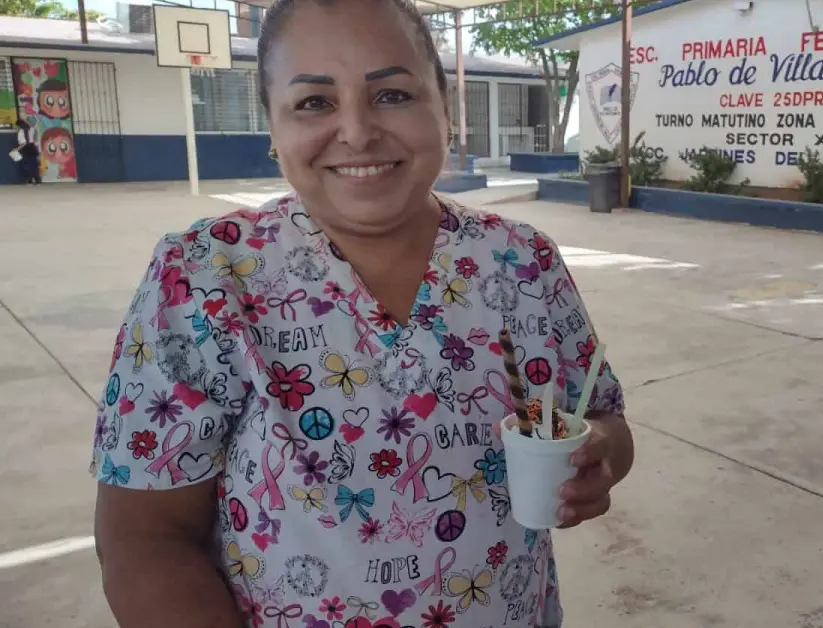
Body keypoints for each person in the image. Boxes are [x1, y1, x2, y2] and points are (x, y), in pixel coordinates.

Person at [90, 1, 635, 627]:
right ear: (272, 127)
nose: (356, 131)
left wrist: (599, 457)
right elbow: (144, 538)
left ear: (444, 108)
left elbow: (600, 416)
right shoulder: (205, 277)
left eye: (394, 94)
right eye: (315, 103)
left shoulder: (523, 261)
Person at [14, 118, 41, 185]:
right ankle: (38, 181)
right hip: (32, 147)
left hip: (25, 149)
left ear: (19, 126)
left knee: (27, 166)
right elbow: (31, 126)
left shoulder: (21, 132)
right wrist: (23, 120)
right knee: (34, 165)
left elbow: (23, 143)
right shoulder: (31, 129)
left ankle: (29, 181)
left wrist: (17, 149)